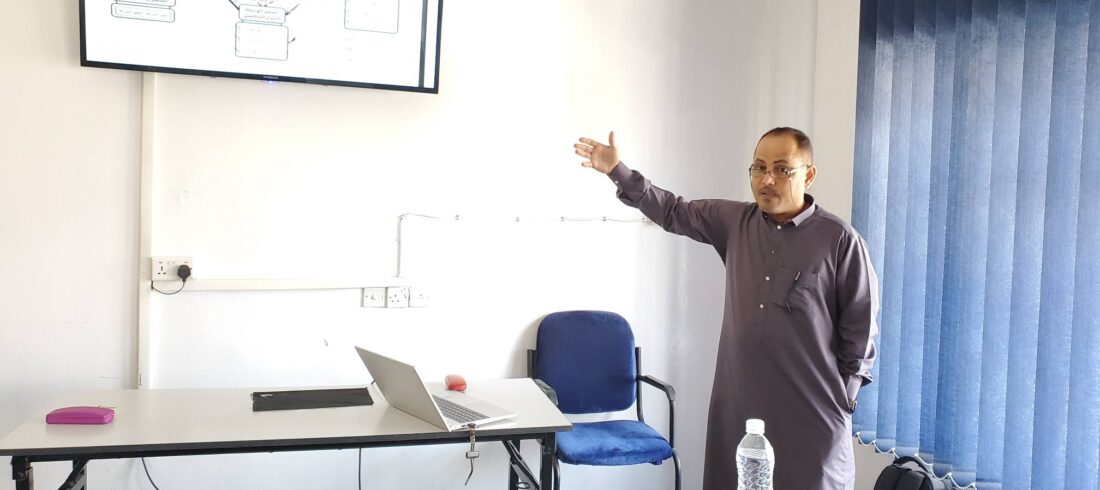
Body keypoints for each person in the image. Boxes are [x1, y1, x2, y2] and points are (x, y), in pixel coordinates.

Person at [573, 128, 879, 490]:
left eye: (782, 169)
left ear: (808, 175)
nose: (767, 179)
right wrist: (617, 171)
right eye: (759, 167)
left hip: (812, 411)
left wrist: (844, 398)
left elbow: (860, 330)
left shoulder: (839, 240)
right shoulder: (735, 222)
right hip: (740, 403)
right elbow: (673, 210)